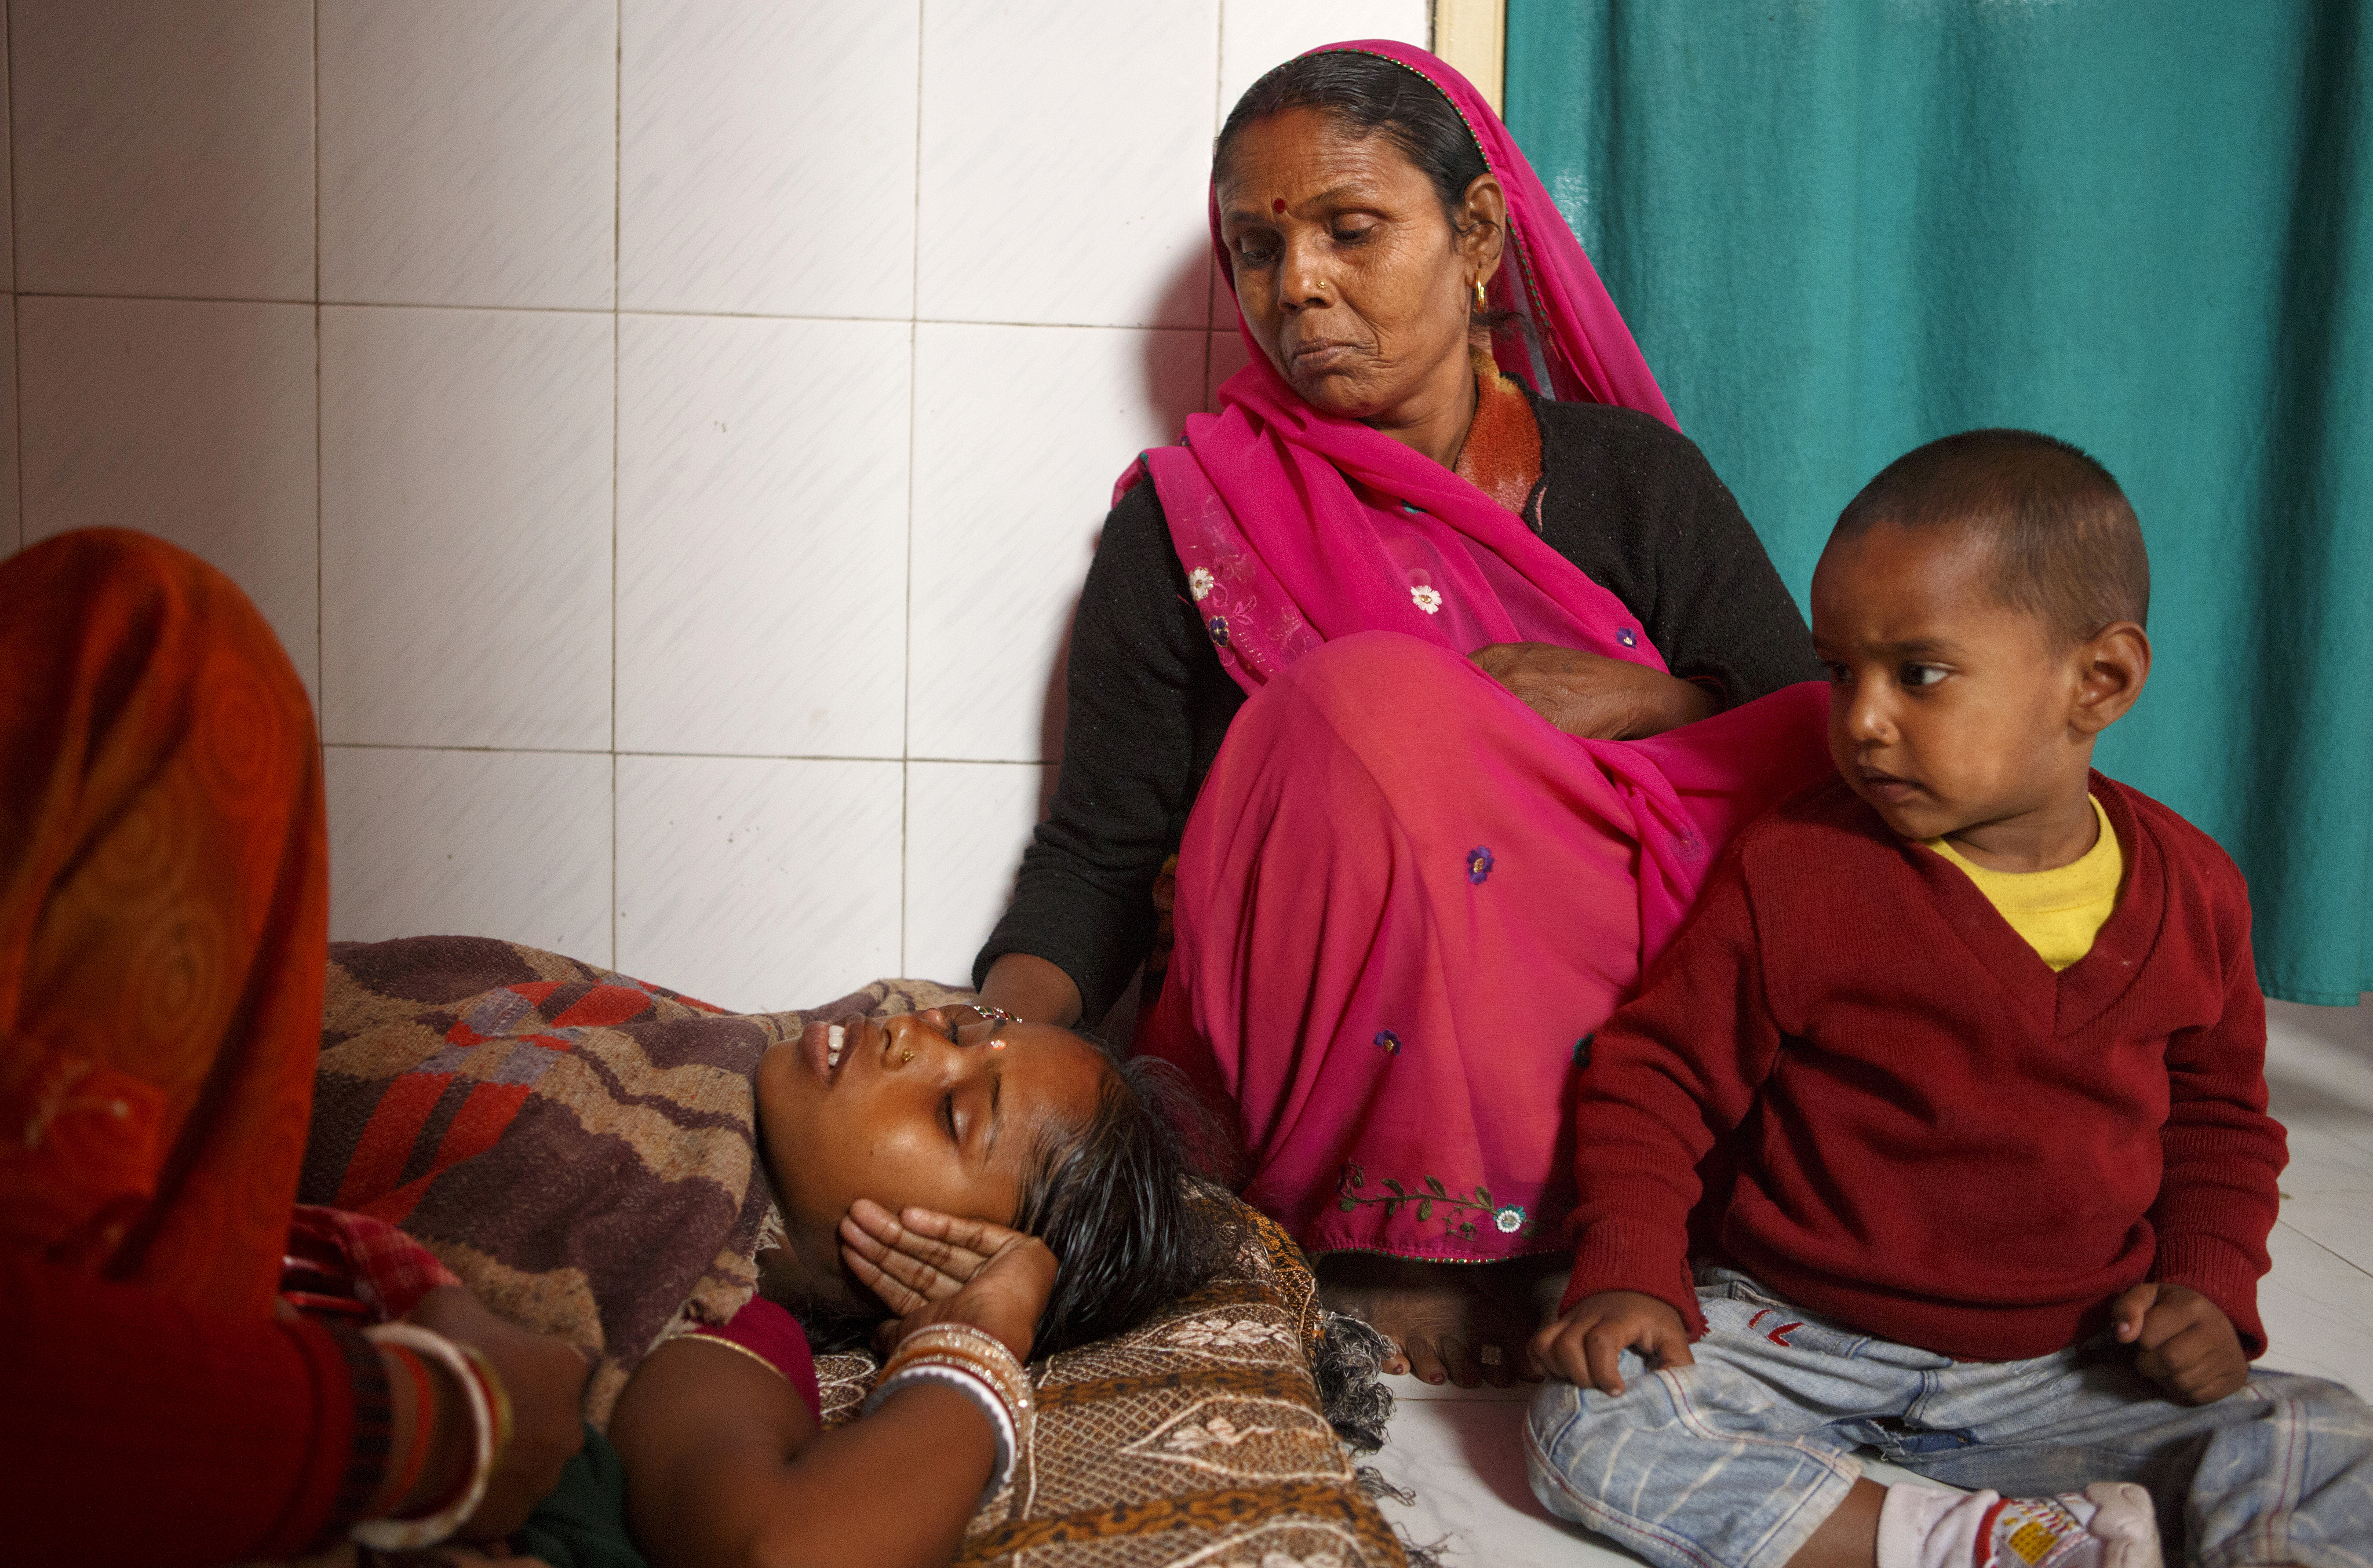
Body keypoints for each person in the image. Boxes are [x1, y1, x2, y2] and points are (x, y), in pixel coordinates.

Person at [0, 529, 1213, 1568]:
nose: (915, 1042)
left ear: (932, 1262)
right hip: (109, 1103)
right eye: (958, 1026)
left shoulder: (714, 1295)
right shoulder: (693, 1039)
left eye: (955, 1114)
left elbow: (781, 1547)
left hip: (132, 1270)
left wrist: (980, 1336)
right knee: (139, 627)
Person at [973, 40, 1831, 1386]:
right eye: (1257, 249)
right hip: (1307, 1048)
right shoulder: (1189, 519)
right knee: (1362, 706)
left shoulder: (1633, 483)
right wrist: (996, 1038)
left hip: (1618, 1038)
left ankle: (1570, 1215)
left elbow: (1818, 747)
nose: (1296, 283)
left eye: (1348, 229)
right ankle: (1386, 1235)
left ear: (1476, 231)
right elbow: (1096, 850)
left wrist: (1667, 701)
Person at [1524, 431, 2373, 1568]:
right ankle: (1985, 1545)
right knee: (1594, 1422)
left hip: (2062, 1363)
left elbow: (2222, 1128)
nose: (1863, 720)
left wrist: (2207, 1294)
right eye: (1840, 673)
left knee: (2317, 1430)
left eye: (1917, 674)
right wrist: (1631, 1269)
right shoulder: (1798, 869)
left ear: (2100, 683)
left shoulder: (2197, 892)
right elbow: (1657, 1079)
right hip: (1793, 1332)